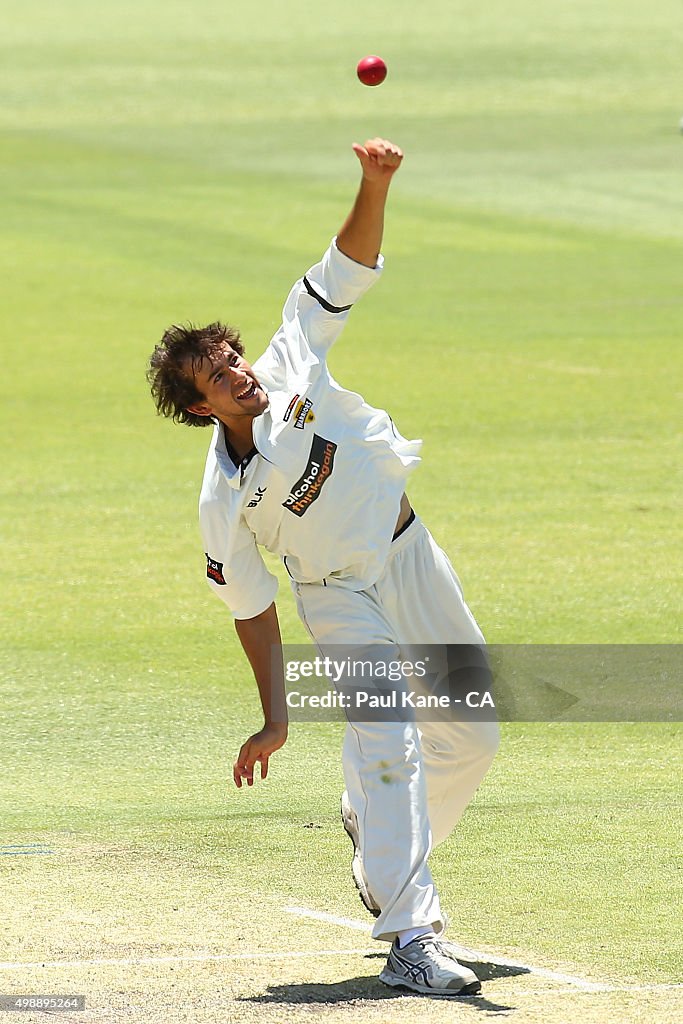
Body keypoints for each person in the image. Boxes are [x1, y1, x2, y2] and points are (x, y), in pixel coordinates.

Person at [147, 137, 499, 997]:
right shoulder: (220, 503)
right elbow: (250, 608)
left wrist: (372, 182)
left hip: (408, 551)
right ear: (200, 409)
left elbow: (345, 268)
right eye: (218, 377)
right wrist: (275, 717)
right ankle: (410, 934)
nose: (239, 374)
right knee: (390, 749)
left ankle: (370, 829)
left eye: (233, 358)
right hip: (337, 598)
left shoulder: (290, 357)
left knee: (470, 738)